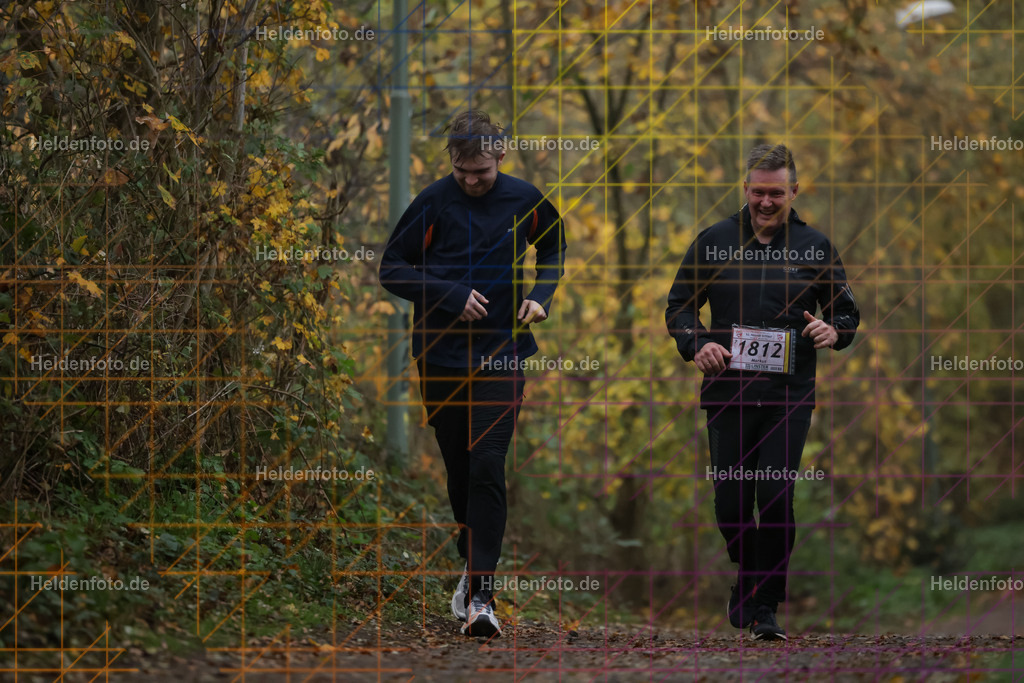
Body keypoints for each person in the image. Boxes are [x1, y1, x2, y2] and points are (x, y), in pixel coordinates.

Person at [379, 110, 566, 637]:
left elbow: (554, 246)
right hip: (439, 358)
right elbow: (391, 267)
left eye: (481, 170)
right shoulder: (434, 202)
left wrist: (541, 296)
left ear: (501, 156)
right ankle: (471, 561)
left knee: (487, 462)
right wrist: (449, 295)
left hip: (501, 354)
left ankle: (483, 596)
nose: (472, 180)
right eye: (463, 171)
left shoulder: (525, 199)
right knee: (460, 473)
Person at [665, 144, 859, 641]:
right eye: (758, 192)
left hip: (787, 393)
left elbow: (846, 313)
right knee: (731, 504)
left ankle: (766, 605)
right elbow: (679, 308)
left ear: (794, 191)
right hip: (727, 391)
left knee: (774, 496)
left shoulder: (815, 246)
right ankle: (750, 576)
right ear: (745, 190)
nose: (766, 202)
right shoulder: (712, 242)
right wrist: (696, 343)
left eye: (777, 193)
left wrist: (832, 331)